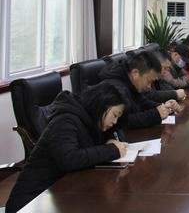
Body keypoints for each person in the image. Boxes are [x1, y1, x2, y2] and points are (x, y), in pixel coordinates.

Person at [5, 83, 129, 213]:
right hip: (32, 201)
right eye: (115, 115)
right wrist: (111, 150)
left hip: (59, 194)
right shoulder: (65, 120)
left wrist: (111, 138)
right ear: (101, 105)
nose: (115, 121)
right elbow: (69, 159)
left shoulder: (91, 120)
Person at [98, 50, 182, 129]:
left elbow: (142, 102)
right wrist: (156, 114)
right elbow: (122, 122)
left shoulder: (130, 82)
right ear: (135, 73)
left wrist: (164, 107)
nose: (149, 86)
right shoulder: (115, 88)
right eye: (148, 81)